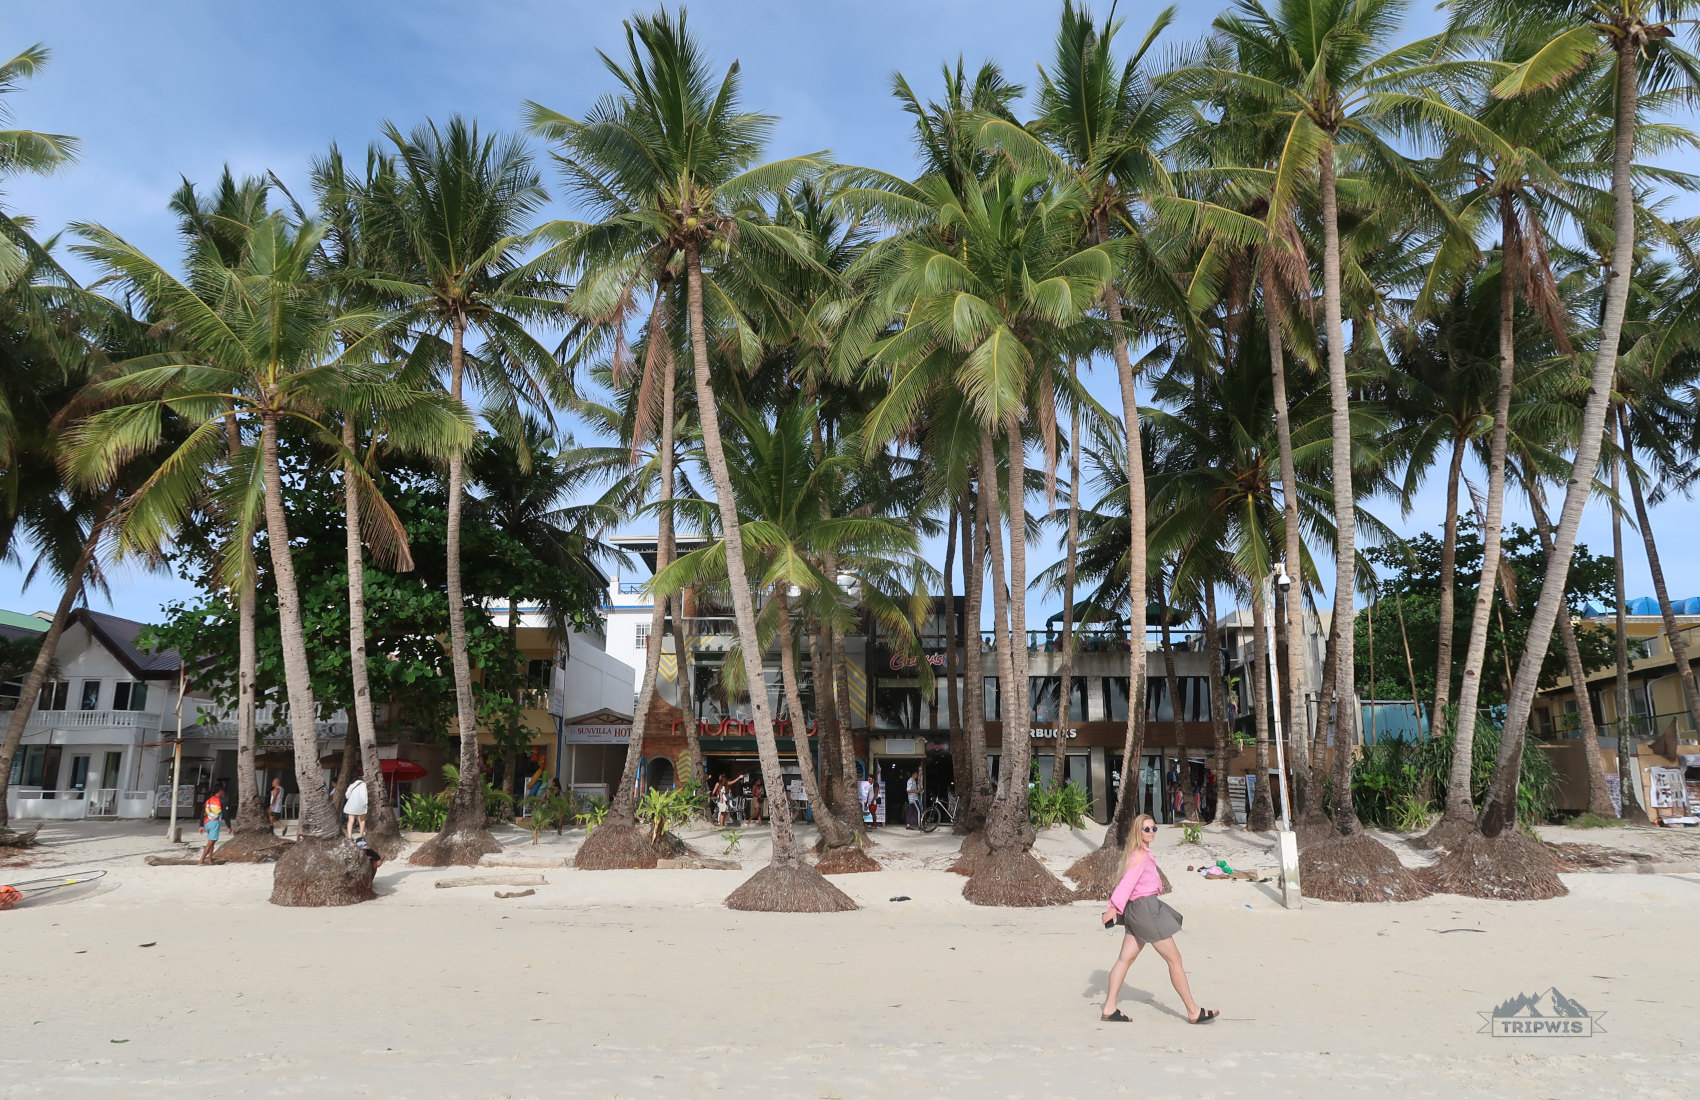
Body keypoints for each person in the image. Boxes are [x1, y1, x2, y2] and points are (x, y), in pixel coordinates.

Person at [1099, 814, 1216, 1025]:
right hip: (1146, 910)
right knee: (1175, 959)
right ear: (1138, 831)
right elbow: (1126, 884)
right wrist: (1113, 908)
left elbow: (1128, 884)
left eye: (1154, 829)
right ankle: (1193, 1010)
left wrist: (1115, 908)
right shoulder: (1140, 855)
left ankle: (1109, 1007)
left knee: (1126, 959)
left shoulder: (1138, 853)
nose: (1151, 832)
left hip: (1137, 910)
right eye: (1146, 829)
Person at [197, 780, 226, 865]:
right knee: (211, 842)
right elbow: (226, 814)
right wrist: (229, 826)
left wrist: (201, 825)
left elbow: (203, 812)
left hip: (207, 823)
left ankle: (210, 860)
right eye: (223, 791)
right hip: (214, 822)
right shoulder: (221, 801)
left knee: (212, 842)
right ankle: (202, 860)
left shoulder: (208, 800)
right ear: (220, 791)